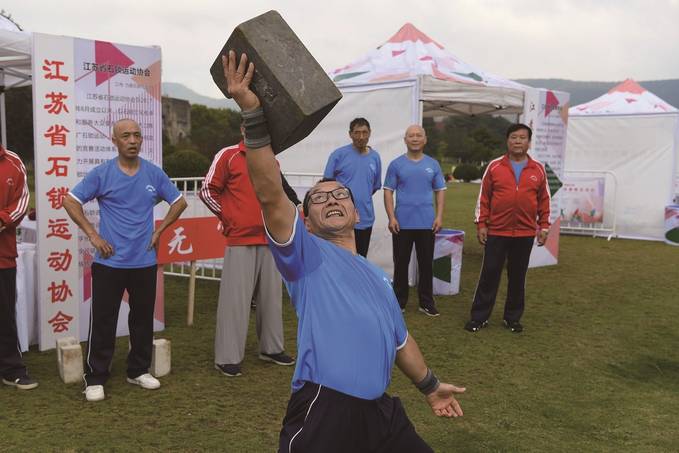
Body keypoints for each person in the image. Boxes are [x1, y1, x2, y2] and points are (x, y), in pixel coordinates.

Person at [223, 50, 465, 453]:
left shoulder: (377, 278)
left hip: (380, 414)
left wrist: (431, 386)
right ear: (306, 218)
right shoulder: (306, 256)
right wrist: (252, 113)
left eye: (340, 195)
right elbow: (268, 192)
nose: (332, 199)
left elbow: (401, 342)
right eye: (319, 198)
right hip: (326, 407)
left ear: (355, 210)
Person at [63, 118, 187, 401]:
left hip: (144, 261)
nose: (132, 140)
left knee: (142, 319)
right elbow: (70, 200)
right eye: (125, 136)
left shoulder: (153, 174)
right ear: (115, 141)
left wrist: (161, 229)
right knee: (104, 321)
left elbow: (179, 201)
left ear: (142, 140)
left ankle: (138, 370)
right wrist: (93, 235)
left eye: (137, 136)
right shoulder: (103, 173)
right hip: (109, 263)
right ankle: (95, 377)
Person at [199, 124, 296, 377]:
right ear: (243, 128)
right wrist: (229, 218)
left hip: (271, 238)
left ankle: (272, 348)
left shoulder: (271, 160)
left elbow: (278, 194)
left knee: (271, 299)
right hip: (240, 238)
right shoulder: (228, 154)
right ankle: (227, 357)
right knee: (236, 301)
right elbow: (207, 190)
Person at [465, 123, 550, 334]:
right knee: (489, 274)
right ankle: (479, 317)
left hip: (525, 233)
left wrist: (545, 226)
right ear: (507, 140)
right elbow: (483, 198)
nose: (518, 141)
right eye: (514, 137)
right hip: (497, 231)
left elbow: (544, 200)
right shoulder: (494, 166)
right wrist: (481, 224)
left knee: (517, 276)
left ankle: (512, 318)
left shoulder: (538, 169)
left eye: (522, 138)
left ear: (529, 143)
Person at [383, 126, 446, 317]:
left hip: (427, 223)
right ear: (405, 140)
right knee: (401, 264)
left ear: (425, 139)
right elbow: (388, 191)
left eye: (419, 135)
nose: (415, 138)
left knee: (426, 264)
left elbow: (440, 190)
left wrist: (439, 216)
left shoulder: (433, 164)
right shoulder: (396, 164)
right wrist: (391, 217)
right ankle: (399, 302)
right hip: (402, 223)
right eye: (411, 136)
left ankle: (426, 303)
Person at [0, 145, 37, 391]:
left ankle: (11, 369)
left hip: (2, 257)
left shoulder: (12, 161)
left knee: (4, 315)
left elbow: (21, 203)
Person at [323, 118, 381, 257]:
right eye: (357, 133)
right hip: (341, 218)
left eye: (364, 132)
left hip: (365, 218)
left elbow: (374, 187)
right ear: (350, 134)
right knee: (341, 259)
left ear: (370, 133)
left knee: (360, 260)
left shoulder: (375, 157)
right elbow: (326, 184)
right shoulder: (338, 155)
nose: (361, 137)